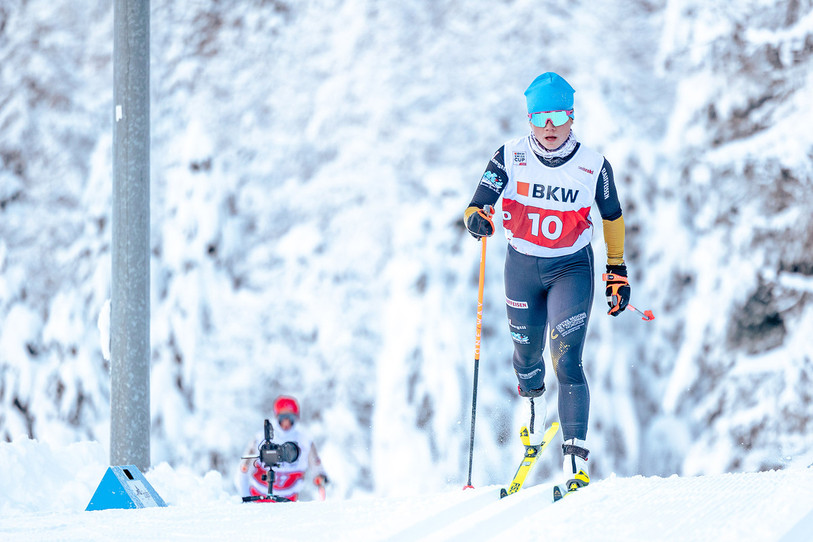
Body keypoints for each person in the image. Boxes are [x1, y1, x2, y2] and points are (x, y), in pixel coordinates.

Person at [463, 72, 630, 495]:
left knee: (567, 359)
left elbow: (612, 217)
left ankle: (575, 460)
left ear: (572, 117)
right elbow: (478, 204)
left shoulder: (594, 165)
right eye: (540, 117)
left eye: (558, 116)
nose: (550, 127)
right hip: (521, 269)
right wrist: (475, 219)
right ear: (530, 120)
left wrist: (616, 270)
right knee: (526, 361)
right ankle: (534, 422)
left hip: (570, 269)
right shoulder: (509, 156)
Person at [235, 395, 329, 502]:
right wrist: (245, 497)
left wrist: (320, 477)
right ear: (277, 417)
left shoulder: (305, 441)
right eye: (282, 418)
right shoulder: (261, 438)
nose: (286, 423)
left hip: (288, 499)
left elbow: (317, 466)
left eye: (290, 418)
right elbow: (243, 470)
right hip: (259, 495)